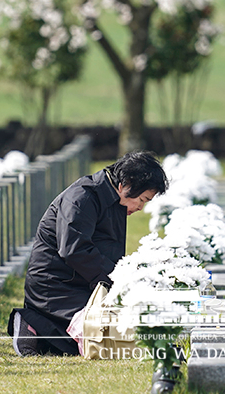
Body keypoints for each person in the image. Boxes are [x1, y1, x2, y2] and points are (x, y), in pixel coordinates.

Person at [10, 150, 168, 356]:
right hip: (56, 286)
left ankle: (43, 333)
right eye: (142, 199)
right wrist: (119, 279)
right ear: (125, 184)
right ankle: (31, 322)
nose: (140, 207)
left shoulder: (113, 198)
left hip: (84, 281)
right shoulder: (81, 198)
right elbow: (74, 249)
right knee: (108, 332)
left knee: (131, 319)